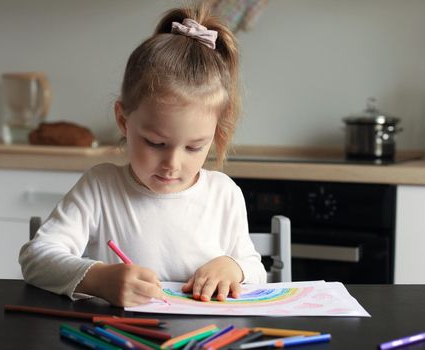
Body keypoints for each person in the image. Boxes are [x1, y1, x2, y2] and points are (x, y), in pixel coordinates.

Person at [19, 3, 267, 307]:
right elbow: (36, 258)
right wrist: (99, 280)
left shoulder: (224, 194)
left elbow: (256, 271)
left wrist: (234, 268)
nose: (172, 164)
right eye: (155, 143)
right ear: (124, 120)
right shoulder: (101, 187)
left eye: (194, 147)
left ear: (216, 133)